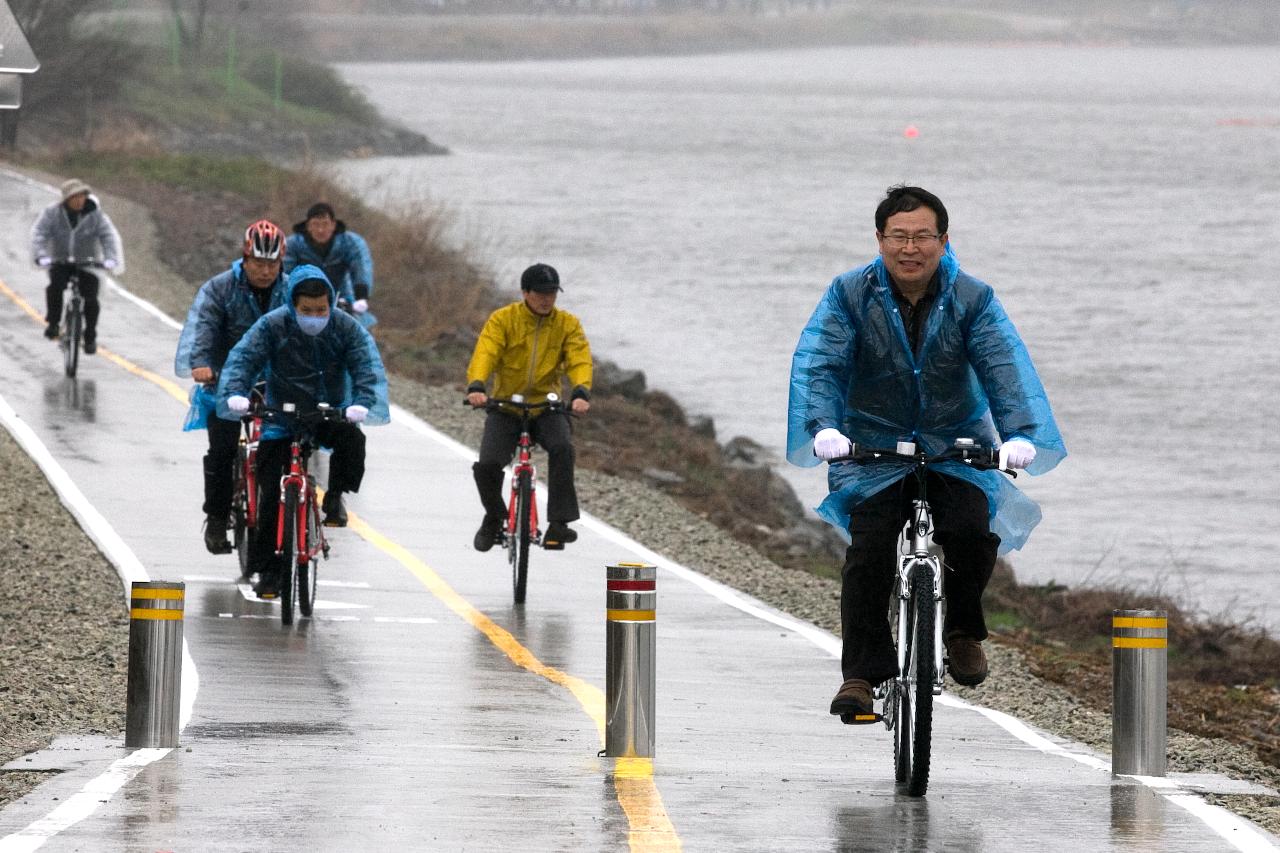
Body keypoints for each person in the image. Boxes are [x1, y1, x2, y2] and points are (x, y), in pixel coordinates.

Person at [786, 185, 1066, 719]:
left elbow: (1004, 368)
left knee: (968, 528)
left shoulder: (972, 298)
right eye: (899, 236)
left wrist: (1022, 433)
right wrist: (822, 425)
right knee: (868, 554)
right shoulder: (849, 294)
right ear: (879, 239)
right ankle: (863, 676)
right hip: (871, 444)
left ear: (943, 241)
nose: (909, 248)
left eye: (922, 237)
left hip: (954, 441)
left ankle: (962, 630)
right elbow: (820, 363)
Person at [217, 265, 389, 598]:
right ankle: (268, 573)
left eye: (321, 310)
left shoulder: (345, 328)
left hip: (328, 410)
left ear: (331, 303)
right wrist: (237, 393)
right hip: (281, 416)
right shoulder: (272, 325)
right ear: (293, 305)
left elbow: (365, 365)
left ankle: (336, 497)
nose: (314, 316)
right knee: (270, 494)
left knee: (352, 440)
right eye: (306, 310)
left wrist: (362, 402)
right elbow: (244, 359)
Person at [174, 220, 289, 555]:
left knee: (282, 449)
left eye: (272, 264)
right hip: (225, 378)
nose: (265, 271)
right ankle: (217, 516)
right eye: (258, 263)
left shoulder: (292, 289)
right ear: (245, 258)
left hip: (275, 380)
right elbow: (205, 328)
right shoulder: (220, 289)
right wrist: (202, 364)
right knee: (223, 450)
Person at [466, 263, 592, 551]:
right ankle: (495, 517)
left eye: (552, 293)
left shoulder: (567, 324)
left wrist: (581, 391)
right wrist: (477, 386)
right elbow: (486, 351)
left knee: (563, 448)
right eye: (540, 293)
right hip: (506, 405)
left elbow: (579, 358)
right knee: (487, 465)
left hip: (545, 407)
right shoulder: (503, 320)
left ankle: (559, 524)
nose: (547, 299)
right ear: (525, 292)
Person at [30, 178, 125, 354]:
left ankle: (90, 336)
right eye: (75, 197)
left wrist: (111, 258)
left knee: (91, 297)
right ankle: (53, 323)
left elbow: (108, 236)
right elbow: (39, 234)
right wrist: (41, 256)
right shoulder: (52, 213)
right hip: (60, 260)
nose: (80, 200)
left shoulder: (95, 215)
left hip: (88, 262)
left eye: (83, 196)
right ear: (66, 199)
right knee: (55, 287)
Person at [283, 202, 375, 325]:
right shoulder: (293, 244)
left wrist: (361, 296)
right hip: (303, 296)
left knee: (359, 326)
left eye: (325, 224)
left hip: (341, 296)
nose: (321, 230)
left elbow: (361, 266)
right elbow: (286, 273)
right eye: (316, 225)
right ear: (308, 226)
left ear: (333, 225)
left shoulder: (349, 242)